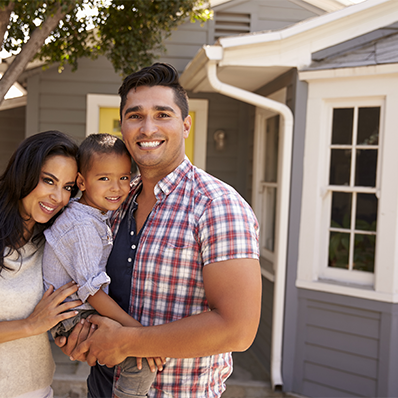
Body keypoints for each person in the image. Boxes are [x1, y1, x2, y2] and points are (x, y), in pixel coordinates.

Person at [58, 63, 262, 398]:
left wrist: (128, 342)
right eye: (135, 116)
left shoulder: (216, 205)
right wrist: (77, 336)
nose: (147, 127)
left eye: (162, 114)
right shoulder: (115, 199)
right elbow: (77, 270)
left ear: (185, 126)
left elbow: (237, 329)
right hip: (100, 387)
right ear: (122, 126)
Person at [42, 133, 162, 398]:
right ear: (82, 182)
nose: (117, 188)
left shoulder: (95, 213)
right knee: (139, 358)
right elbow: (92, 291)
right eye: (104, 178)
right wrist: (137, 333)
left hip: (79, 309)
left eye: (124, 178)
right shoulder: (82, 226)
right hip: (72, 316)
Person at [0, 130, 83, 398]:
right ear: (24, 172)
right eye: (49, 181)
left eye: (68, 187)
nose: (58, 197)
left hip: (37, 389)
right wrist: (31, 325)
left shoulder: (52, 241)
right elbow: (37, 321)